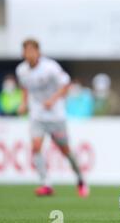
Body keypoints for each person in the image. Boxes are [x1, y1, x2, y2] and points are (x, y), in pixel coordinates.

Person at [16, 39, 89, 197]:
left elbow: (66, 85)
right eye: (26, 51)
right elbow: (24, 88)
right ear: (23, 53)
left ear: (38, 52)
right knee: (36, 147)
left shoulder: (50, 67)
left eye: (31, 51)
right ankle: (46, 183)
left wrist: (53, 99)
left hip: (56, 116)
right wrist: (23, 103)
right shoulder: (21, 70)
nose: (29, 54)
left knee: (65, 150)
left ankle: (80, 179)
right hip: (37, 115)